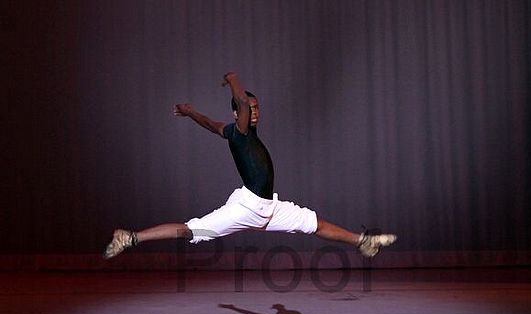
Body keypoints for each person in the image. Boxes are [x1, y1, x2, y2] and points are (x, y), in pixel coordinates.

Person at [103, 72, 396, 259]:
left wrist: (191, 112)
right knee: (193, 231)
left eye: (256, 109)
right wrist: (233, 79)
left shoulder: (234, 133)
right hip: (247, 208)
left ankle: (363, 241)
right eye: (247, 109)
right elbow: (240, 103)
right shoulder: (240, 131)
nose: (252, 112)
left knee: (314, 223)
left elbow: (210, 124)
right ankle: (131, 237)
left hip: (269, 209)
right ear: (237, 112)